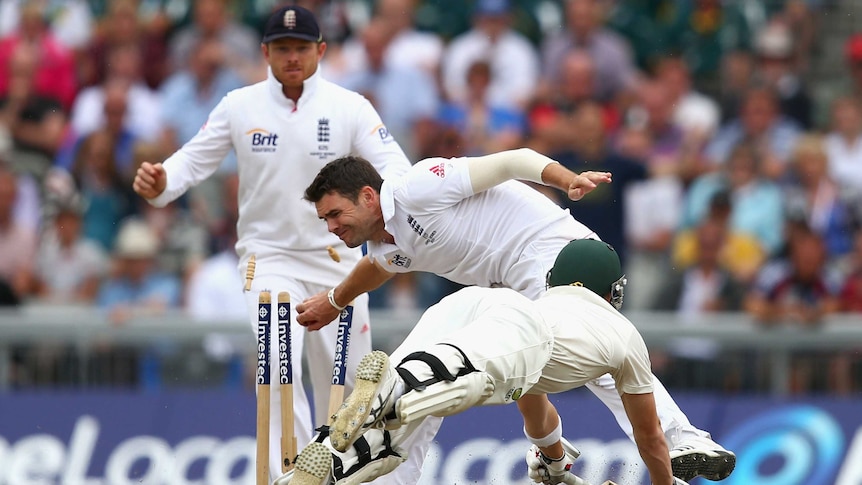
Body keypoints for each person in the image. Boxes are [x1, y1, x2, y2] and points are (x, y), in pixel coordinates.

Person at [295, 149, 735, 482]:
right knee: (510, 370)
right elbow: (376, 268)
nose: (331, 227)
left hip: (553, 257)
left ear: (369, 196)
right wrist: (333, 301)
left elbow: (513, 161)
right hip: (506, 292)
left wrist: (569, 180)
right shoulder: (387, 245)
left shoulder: (416, 186)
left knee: (601, 361)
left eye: (335, 213)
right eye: (324, 220)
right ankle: (546, 455)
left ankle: (685, 438)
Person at [131, 6, 412, 482]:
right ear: (265, 53)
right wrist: (160, 183)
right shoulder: (239, 105)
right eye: (283, 49)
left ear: (321, 50)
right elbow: (188, 164)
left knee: (343, 390)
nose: (293, 57)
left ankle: (347, 476)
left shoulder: (350, 107)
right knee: (278, 366)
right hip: (269, 258)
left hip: (338, 262)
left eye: (302, 47)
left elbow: (397, 170)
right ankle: (291, 474)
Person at [281, 240, 691, 485]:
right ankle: (395, 391)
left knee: (392, 440)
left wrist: (552, 457)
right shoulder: (624, 335)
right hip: (522, 333)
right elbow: (650, 436)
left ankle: (322, 464)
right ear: (614, 291)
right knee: (447, 389)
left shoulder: (547, 302)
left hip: (472, 301)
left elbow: (535, 407)